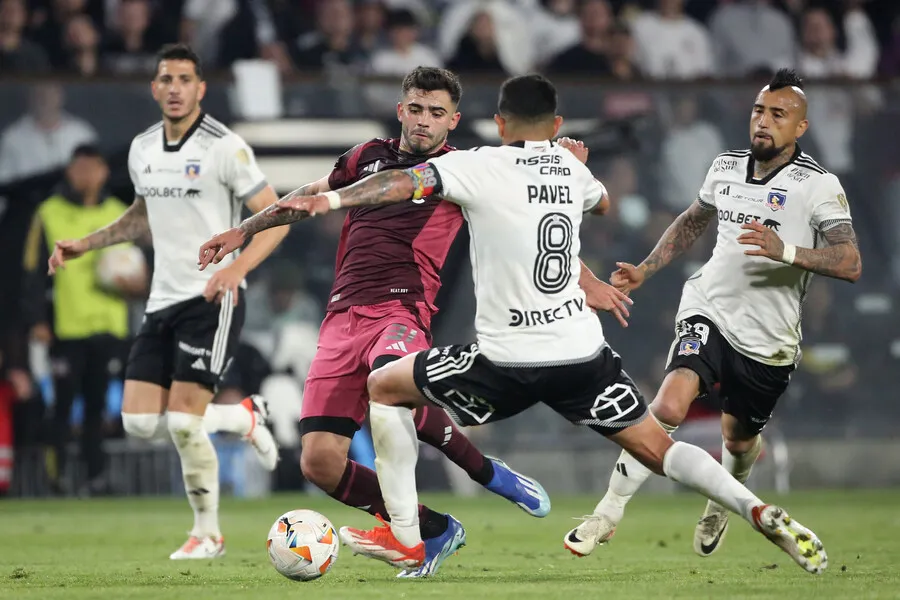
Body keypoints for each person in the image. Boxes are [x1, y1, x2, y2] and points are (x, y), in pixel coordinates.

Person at [267, 74, 828, 576]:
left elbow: (398, 185)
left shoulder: (476, 164)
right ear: (557, 126)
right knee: (659, 447)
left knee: (384, 387)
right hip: (582, 354)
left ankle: (411, 538)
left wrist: (335, 199)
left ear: (496, 123)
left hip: (507, 359)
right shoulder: (571, 172)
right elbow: (602, 203)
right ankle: (754, 508)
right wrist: (571, 163)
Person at [199, 66, 552, 578]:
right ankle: (433, 529)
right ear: (400, 109)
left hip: (402, 309)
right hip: (341, 317)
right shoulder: (366, 156)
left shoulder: (466, 170)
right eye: (416, 108)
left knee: (390, 384)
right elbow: (305, 196)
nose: (424, 120)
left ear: (452, 121)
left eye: (437, 113)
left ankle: (485, 473)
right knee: (319, 462)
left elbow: (531, 206)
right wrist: (242, 230)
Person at [580, 68, 859, 560]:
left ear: (800, 128)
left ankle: (723, 499)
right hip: (707, 306)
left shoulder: (818, 185)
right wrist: (647, 269)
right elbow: (693, 221)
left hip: (769, 339)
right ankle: (607, 512)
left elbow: (850, 261)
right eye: (758, 111)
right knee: (668, 406)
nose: (763, 122)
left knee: (740, 438)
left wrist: (787, 251)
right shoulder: (726, 166)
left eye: (778, 115)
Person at [47, 44, 281, 560]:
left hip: (211, 298)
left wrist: (236, 270)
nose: (174, 88)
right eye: (165, 79)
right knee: (138, 423)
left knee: (180, 422)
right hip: (161, 302)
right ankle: (242, 418)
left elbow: (276, 214)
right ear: (155, 88)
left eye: (184, 79)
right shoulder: (142, 147)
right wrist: (84, 243)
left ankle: (208, 535)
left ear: (200, 89)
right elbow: (140, 216)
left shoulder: (226, 147)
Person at [23, 144, 144, 497]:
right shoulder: (49, 212)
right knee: (62, 404)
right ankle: (56, 476)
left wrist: (136, 286)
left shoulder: (118, 212)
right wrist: (37, 319)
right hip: (66, 326)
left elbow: (137, 270)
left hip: (109, 325)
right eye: (80, 167)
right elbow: (31, 270)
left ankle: (96, 477)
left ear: (104, 172)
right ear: (69, 171)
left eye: (93, 167)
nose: (86, 174)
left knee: (98, 406)